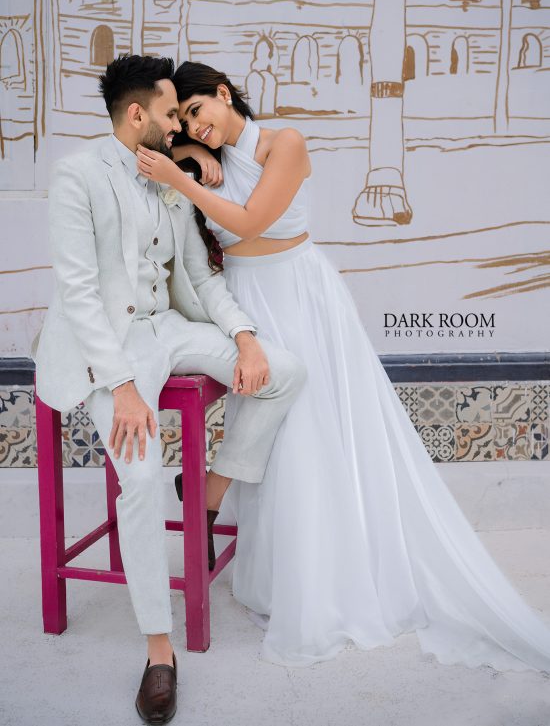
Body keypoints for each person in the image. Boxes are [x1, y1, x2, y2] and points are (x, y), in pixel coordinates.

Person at [136, 60, 550, 674]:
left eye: (199, 110)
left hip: (300, 293)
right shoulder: (204, 156)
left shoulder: (285, 143)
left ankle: (318, 571)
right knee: (273, 432)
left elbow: (250, 222)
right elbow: (163, 166)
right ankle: (269, 564)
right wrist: (192, 153)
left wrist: (182, 174)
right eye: (186, 118)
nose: (196, 124)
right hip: (246, 300)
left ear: (225, 94)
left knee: (315, 430)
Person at [33, 55, 306, 724]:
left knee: (285, 371)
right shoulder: (78, 176)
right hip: (110, 348)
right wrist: (123, 385)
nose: (178, 125)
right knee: (139, 477)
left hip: (170, 328)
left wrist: (244, 337)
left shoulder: (167, 175)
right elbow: (79, 293)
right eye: (168, 114)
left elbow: (199, 277)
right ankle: (160, 650)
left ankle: (205, 495)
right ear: (137, 116)